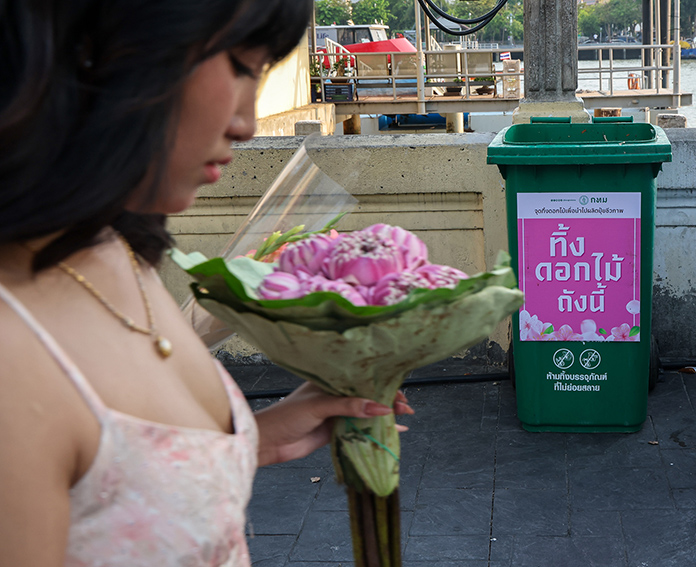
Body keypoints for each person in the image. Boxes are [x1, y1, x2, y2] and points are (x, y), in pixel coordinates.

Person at [0, 1, 413, 566]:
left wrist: (256, 440)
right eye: (242, 67)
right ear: (105, 50)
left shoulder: (117, 245)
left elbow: (113, 485)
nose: (246, 122)